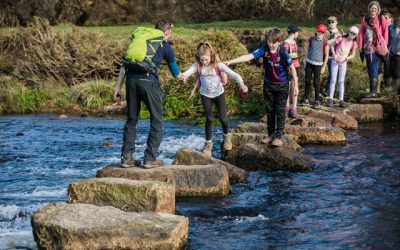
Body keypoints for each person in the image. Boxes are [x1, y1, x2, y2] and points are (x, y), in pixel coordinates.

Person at [114, 19, 184, 168]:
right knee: (156, 120)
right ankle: (150, 159)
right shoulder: (165, 47)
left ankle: (126, 158)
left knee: (132, 119)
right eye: (169, 33)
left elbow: (124, 66)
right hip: (148, 83)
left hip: (131, 82)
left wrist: (117, 88)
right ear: (166, 33)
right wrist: (182, 77)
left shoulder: (138, 42)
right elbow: (176, 73)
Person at [226, 27, 298, 147]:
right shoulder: (265, 49)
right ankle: (270, 135)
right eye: (269, 41)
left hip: (282, 85)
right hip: (269, 84)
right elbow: (249, 56)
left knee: (279, 111)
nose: (270, 44)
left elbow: (293, 70)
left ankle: (279, 136)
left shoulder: (283, 53)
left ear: (279, 42)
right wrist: (230, 62)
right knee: (270, 111)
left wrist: (296, 87)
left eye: (273, 42)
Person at [182, 42, 248, 156]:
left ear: (211, 56)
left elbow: (235, 75)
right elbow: (186, 73)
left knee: (223, 118)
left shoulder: (218, 65)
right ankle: (208, 145)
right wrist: (182, 77)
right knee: (209, 119)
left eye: (206, 60)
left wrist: (241, 84)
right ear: (199, 58)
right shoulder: (197, 65)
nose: (204, 62)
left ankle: (227, 137)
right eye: (202, 60)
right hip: (205, 95)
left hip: (219, 94)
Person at [359, 1, 389, 97]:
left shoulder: (381, 18)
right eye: (372, 8)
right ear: (369, 8)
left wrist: (385, 45)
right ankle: (373, 91)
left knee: (373, 68)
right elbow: (361, 34)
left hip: (378, 47)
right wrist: (360, 46)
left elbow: (385, 32)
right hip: (368, 48)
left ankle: (373, 92)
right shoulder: (365, 19)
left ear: (378, 10)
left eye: (375, 9)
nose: (373, 10)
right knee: (372, 68)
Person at [326, 26, 359, 108]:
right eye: (351, 32)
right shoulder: (341, 39)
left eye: (354, 34)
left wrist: (346, 59)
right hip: (335, 61)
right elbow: (332, 46)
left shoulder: (354, 43)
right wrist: (334, 56)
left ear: (356, 35)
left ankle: (341, 99)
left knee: (341, 81)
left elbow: (353, 54)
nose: (352, 35)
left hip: (343, 62)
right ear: (349, 31)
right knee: (333, 79)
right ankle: (330, 99)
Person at [300, 24, 329, 109]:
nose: (320, 33)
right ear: (317, 31)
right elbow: (307, 50)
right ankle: (306, 99)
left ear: (324, 33)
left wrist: (324, 67)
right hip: (309, 62)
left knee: (316, 82)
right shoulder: (311, 39)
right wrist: (305, 61)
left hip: (318, 64)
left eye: (322, 32)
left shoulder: (325, 42)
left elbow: (326, 55)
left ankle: (317, 101)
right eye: (319, 31)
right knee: (307, 81)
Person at [283, 24, 302, 118]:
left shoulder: (294, 42)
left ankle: (293, 108)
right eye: (297, 32)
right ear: (294, 33)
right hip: (289, 68)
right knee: (287, 87)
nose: (298, 34)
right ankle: (287, 107)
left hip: (296, 66)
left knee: (294, 87)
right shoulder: (286, 44)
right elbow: (284, 57)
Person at [324, 16, 344, 97]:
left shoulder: (340, 31)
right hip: (330, 56)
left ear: (336, 22)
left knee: (338, 75)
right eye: (329, 22)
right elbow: (325, 43)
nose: (331, 23)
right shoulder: (327, 32)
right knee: (332, 74)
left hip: (340, 56)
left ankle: (333, 92)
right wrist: (335, 38)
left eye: (333, 22)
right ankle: (327, 90)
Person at [387, 16, 400, 93]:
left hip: (398, 54)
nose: (399, 21)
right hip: (389, 52)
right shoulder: (391, 27)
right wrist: (386, 48)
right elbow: (385, 38)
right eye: (398, 19)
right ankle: (387, 90)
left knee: (396, 73)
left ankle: (395, 91)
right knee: (387, 71)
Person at [382, 11, 394, 89]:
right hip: (383, 51)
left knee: (392, 71)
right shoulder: (382, 27)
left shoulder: (394, 27)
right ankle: (386, 89)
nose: (384, 20)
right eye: (383, 18)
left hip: (393, 52)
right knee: (385, 70)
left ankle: (392, 90)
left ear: (391, 19)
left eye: (386, 18)